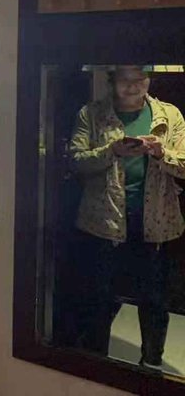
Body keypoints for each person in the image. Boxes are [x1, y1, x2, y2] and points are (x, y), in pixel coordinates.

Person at [70, 65, 185, 369]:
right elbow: (77, 161)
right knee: (99, 298)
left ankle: (152, 363)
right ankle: (95, 365)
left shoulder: (169, 115)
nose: (133, 86)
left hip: (157, 220)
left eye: (140, 79)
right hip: (103, 220)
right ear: (112, 81)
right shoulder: (91, 114)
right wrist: (113, 150)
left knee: (155, 300)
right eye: (125, 80)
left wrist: (161, 153)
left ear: (149, 80)